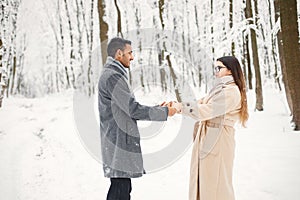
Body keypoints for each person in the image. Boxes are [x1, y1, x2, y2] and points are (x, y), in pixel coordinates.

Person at [98, 37, 176, 200]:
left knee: (121, 188)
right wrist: (164, 112)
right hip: (118, 141)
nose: (132, 57)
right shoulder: (113, 76)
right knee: (120, 190)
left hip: (118, 140)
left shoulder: (114, 74)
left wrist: (158, 108)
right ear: (119, 53)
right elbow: (133, 109)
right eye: (130, 53)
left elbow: (128, 106)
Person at [171, 56, 248, 200]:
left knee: (217, 185)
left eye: (219, 68)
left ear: (230, 70)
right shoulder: (219, 89)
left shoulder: (231, 91)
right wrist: (177, 105)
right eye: (215, 68)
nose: (216, 71)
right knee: (207, 182)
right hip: (211, 138)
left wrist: (180, 108)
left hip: (219, 140)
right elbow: (200, 103)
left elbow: (208, 110)